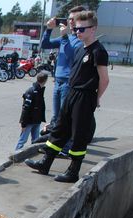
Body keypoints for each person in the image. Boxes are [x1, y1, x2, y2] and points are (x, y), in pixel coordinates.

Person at [25, 10, 110, 183]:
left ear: (93, 29)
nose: (77, 32)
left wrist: (96, 98)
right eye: (76, 29)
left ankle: (73, 171)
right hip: (71, 92)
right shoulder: (80, 48)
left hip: (84, 96)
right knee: (60, 129)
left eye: (81, 29)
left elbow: (104, 79)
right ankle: (45, 163)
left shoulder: (98, 51)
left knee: (78, 134)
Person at [40, 5, 86, 154]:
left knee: (65, 116)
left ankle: (65, 147)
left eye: (74, 19)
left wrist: (65, 36)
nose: (71, 22)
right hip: (58, 81)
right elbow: (44, 45)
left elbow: (71, 55)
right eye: (70, 19)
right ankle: (54, 145)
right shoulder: (65, 37)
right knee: (56, 117)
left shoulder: (79, 40)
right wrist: (48, 29)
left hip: (68, 82)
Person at [15, 72, 48, 151]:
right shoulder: (31, 91)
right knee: (23, 139)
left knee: (36, 140)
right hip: (29, 121)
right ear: (45, 80)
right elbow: (25, 108)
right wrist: (23, 124)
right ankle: (15, 155)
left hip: (37, 120)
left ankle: (34, 153)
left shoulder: (40, 90)